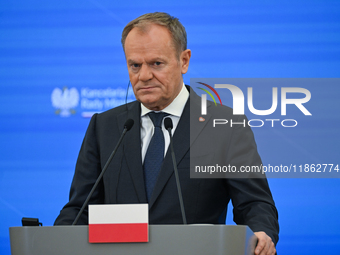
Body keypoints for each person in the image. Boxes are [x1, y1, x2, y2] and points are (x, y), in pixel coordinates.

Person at [55, 12, 279, 255]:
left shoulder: (225, 125)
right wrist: (52, 242)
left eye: (156, 64)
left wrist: (261, 233)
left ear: (184, 61)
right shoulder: (105, 126)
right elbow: (80, 210)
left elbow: (254, 203)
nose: (144, 76)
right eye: (135, 65)